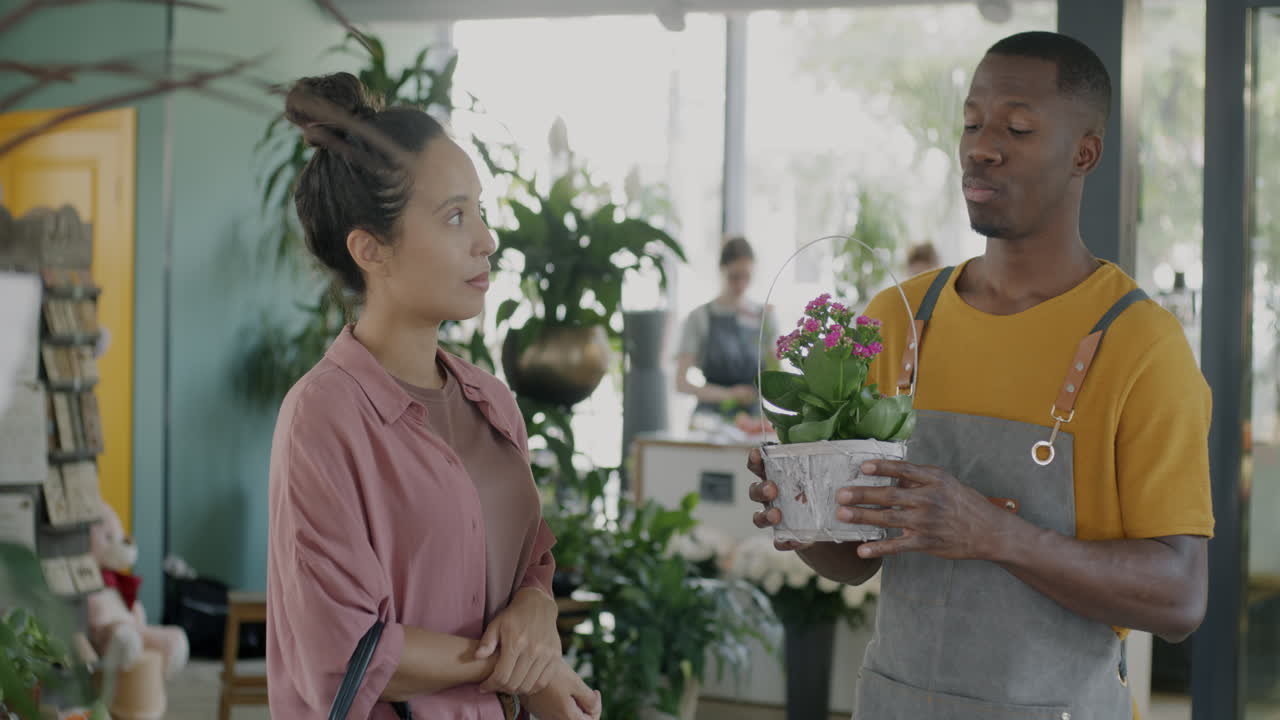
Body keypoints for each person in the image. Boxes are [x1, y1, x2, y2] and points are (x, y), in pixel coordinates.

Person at [749, 31, 1212, 719]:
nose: (981, 147)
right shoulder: (900, 318)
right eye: (971, 124)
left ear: (1085, 153)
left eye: (1017, 128)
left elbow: (1179, 599)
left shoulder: (1141, 344)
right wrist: (803, 516)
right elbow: (859, 558)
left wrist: (995, 535)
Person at [265, 72, 601, 720]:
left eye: (479, 209)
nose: (486, 239)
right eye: (454, 216)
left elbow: (529, 561)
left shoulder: (493, 403)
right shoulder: (322, 417)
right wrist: (529, 669)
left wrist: (536, 607)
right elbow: (344, 652)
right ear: (371, 249)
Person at [674, 236, 777, 423]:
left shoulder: (765, 316)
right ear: (722, 270)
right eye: (734, 277)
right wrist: (729, 395)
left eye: (746, 277)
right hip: (709, 419)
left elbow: (776, 371)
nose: (740, 284)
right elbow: (681, 383)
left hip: (754, 419)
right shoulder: (699, 317)